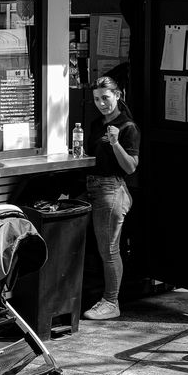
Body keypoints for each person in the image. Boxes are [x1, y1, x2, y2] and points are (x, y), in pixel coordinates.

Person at [82, 76, 140, 321]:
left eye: (105, 97)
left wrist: (116, 143)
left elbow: (131, 167)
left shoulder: (128, 127)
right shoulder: (96, 124)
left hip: (111, 189)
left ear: (118, 95)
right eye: (97, 99)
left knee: (109, 249)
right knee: (97, 248)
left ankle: (111, 302)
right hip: (91, 187)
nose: (101, 103)